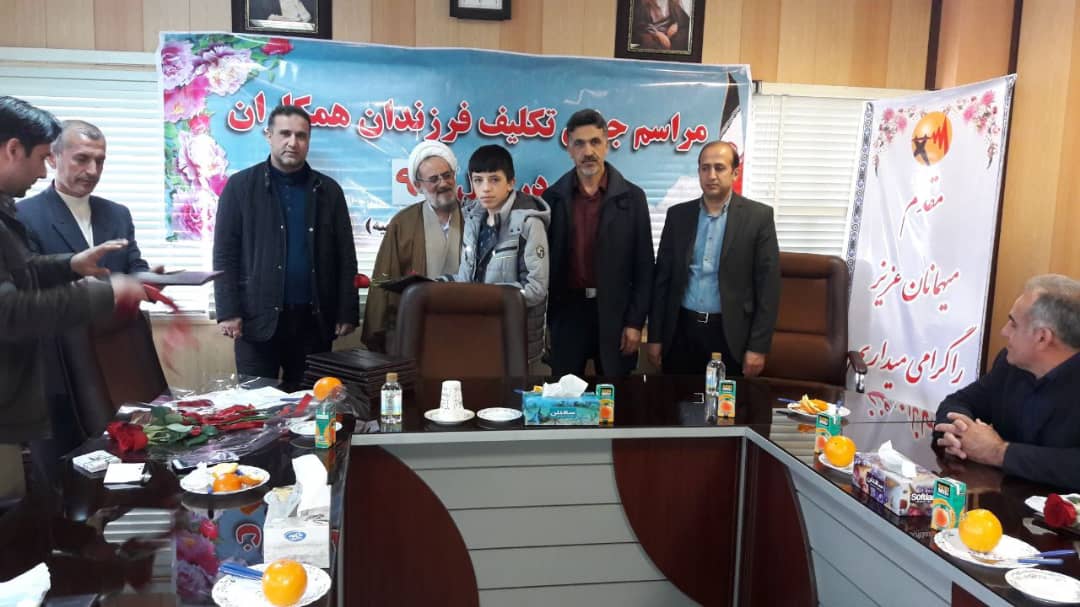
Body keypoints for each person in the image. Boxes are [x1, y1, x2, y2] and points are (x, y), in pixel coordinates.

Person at [0, 96, 145, 476]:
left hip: (109, 358)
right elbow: (10, 310)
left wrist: (70, 264)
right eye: (41, 157)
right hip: (41, 371)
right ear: (14, 149)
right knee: (48, 481)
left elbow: (23, 269)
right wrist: (107, 292)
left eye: (100, 161)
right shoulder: (23, 211)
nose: (40, 171)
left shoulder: (5, 207)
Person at [213, 104, 359, 391]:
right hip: (256, 321)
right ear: (268, 136)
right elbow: (224, 254)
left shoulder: (329, 191)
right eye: (285, 134)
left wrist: (347, 311)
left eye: (301, 136)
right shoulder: (240, 187)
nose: (293, 142)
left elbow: (346, 256)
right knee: (257, 405)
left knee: (310, 404)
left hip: (313, 323)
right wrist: (228, 311)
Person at [646, 141, 780, 377]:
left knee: (726, 401)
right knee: (677, 397)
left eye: (719, 167)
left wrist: (758, 347)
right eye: (705, 168)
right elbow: (662, 281)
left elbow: (768, 288)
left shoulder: (758, 218)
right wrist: (655, 337)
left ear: (735, 172)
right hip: (681, 331)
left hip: (730, 334)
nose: (711, 175)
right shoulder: (678, 216)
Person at [935, 274, 1080, 489]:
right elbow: (957, 402)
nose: (1004, 331)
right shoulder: (1011, 364)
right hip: (1005, 499)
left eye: (1013, 324)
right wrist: (959, 433)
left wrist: (999, 452)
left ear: (1042, 337)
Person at [543, 109, 653, 377]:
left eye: (595, 142)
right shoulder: (552, 198)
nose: (588, 151)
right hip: (568, 314)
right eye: (579, 143)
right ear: (569, 149)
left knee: (615, 395)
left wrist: (635, 322)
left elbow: (644, 267)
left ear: (607, 144)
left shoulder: (633, 198)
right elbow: (545, 267)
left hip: (616, 314)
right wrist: (548, 322)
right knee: (565, 396)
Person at [445, 145, 550, 365]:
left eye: (494, 180)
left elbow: (535, 289)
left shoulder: (529, 223)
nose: (485, 188)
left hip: (514, 338)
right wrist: (436, 284)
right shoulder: (472, 220)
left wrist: (484, 297)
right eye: (478, 180)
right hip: (476, 334)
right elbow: (467, 279)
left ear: (511, 182)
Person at [361, 141, 468, 353]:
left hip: (466, 326)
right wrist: (380, 331)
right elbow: (384, 278)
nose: (443, 183)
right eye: (433, 179)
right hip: (416, 328)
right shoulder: (403, 223)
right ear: (418, 186)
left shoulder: (474, 217)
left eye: (447, 175)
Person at [18, 120, 153, 275]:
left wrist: (149, 277)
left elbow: (134, 266)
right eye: (82, 159)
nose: (93, 171)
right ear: (52, 158)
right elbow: (29, 281)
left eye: (99, 161)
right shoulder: (23, 216)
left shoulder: (118, 214)